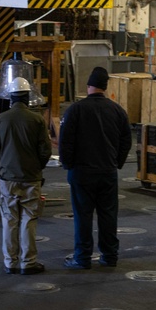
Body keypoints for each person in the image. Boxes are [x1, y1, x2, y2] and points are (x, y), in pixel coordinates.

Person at [59, 66, 132, 269]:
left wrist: (68, 164)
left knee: (83, 215)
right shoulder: (117, 110)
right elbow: (126, 140)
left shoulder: (76, 109)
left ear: (89, 85)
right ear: (105, 87)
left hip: (82, 173)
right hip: (107, 172)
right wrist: (116, 162)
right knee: (108, 215)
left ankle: (82, 258)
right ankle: (109, 256)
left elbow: (65, 141)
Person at [0, 77, 52, 275]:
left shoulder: (0, 119)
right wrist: (36, 168)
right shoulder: (37, 120)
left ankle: (9, 262)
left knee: (9, 219)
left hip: (8, 179)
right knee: (29, 219)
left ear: (10, 97)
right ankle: (28, 262)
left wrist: (4, 167)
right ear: (28, 96)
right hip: (31, 177)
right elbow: (45, 151)